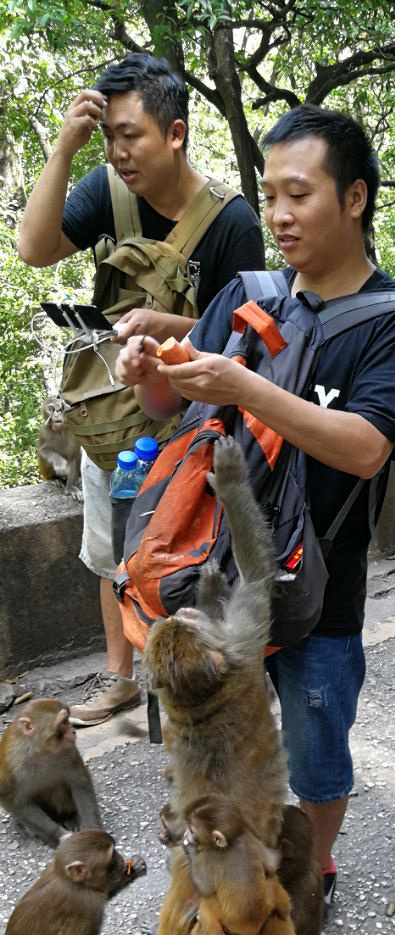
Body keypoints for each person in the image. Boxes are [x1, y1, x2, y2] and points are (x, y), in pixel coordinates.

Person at [115, 104, 395, 910]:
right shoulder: (247, 295)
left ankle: (313, 865)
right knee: (221, 740)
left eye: (300, 194)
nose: (281, 216)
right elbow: (173, 403)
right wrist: (149, 370)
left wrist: (245, 384)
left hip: (318, 588)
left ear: (354, 197)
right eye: (270, 197)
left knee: (317, 741)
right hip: (221, 573)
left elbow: (368, 445)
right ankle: (231, 853)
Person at [17, 54, 265, 725]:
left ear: (175, 133)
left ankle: (202, 679)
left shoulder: (231, 222)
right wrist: (67, 148)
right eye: (109, 138)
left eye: (131, 135)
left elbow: (249, 334)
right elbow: (33, 248)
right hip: (115, 413)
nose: (118, 152)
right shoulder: (107, 191)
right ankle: (120, 675)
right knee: (111, 554)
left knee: (194, 556)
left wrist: (170, 325)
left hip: (191, 420)